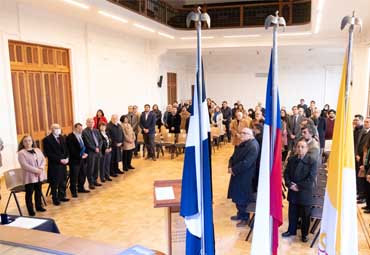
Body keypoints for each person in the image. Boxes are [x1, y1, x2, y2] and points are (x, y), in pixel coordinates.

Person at [282, 139, 317, 243]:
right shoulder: (292, 159)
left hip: (304, 193)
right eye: (298, 146)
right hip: (293, 191)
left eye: (302, 147)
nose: (300, 149)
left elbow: (311, 178)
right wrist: (289, 184)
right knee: (292, 213)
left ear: (307, 149)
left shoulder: (312, 161)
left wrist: (298, 186)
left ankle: (304, 234)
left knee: (305, 216)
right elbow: (286, 173)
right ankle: (291, 230)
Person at [227, 128, 259, 227]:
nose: (240, 135)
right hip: (237, 175)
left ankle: (245, 218)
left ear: (249, 135)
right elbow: (233, 157)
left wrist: (234, 169)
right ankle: (240, 214)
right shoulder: (243, 143)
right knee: (237, 196)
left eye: (243, 133)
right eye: (241, 133)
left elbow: (247, 163)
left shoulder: (253, 146)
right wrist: (230, 166)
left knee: (243, 198)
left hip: (245, 176)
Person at [18, 135, 47, 216]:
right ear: (22, 143)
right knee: (29, 193)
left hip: (39, 175)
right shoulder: (21, 153)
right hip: (29, 176)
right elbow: (24, 165)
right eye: (25, 141)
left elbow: (43, 160)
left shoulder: (37, 150)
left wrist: (40, 169)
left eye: (29, 140)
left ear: (32, 141)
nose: (28, 142)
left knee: (38, 191)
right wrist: (36, 170)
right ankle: (30, 209)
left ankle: (39, 206)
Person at [43, 124, 69, 206]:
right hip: (55, 164)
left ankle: (62, 196)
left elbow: (66, 149)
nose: (57, 129)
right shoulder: (47, 139)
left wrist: (67, 158)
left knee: (63, 181)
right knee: (55, 182)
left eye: (58, 128)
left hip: (64, 163)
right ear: (51, 129)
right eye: (55, 128)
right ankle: (55, 198)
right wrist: (59, 160)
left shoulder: (62, 137)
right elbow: (48, 153)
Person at [66, 123, 89, 197]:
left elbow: (84, 146)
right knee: (74, 176)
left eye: (81, 128)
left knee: (83, 174)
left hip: (82, 159)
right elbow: (71, 150)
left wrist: (85, 153)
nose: (81, 130)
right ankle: (73, 191)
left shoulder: (81, 136)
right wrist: (80, 156)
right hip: (75, 160)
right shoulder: (70, 137)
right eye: (79, 128)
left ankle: (81, 187)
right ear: (75, 128)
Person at [82, 118, 103, 190]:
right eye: (89, 122)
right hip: (91, 152)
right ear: (86, 123)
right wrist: (94, 148)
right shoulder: (84, 132)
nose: (91, 123)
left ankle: (95, 180)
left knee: (96, 167)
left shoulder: (96, 130)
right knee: (90, 167)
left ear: (94, 123)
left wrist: (99, 148)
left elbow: (100, 140)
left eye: (92, 122)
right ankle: (90, 183)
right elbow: (87, 142)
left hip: (97, 152)